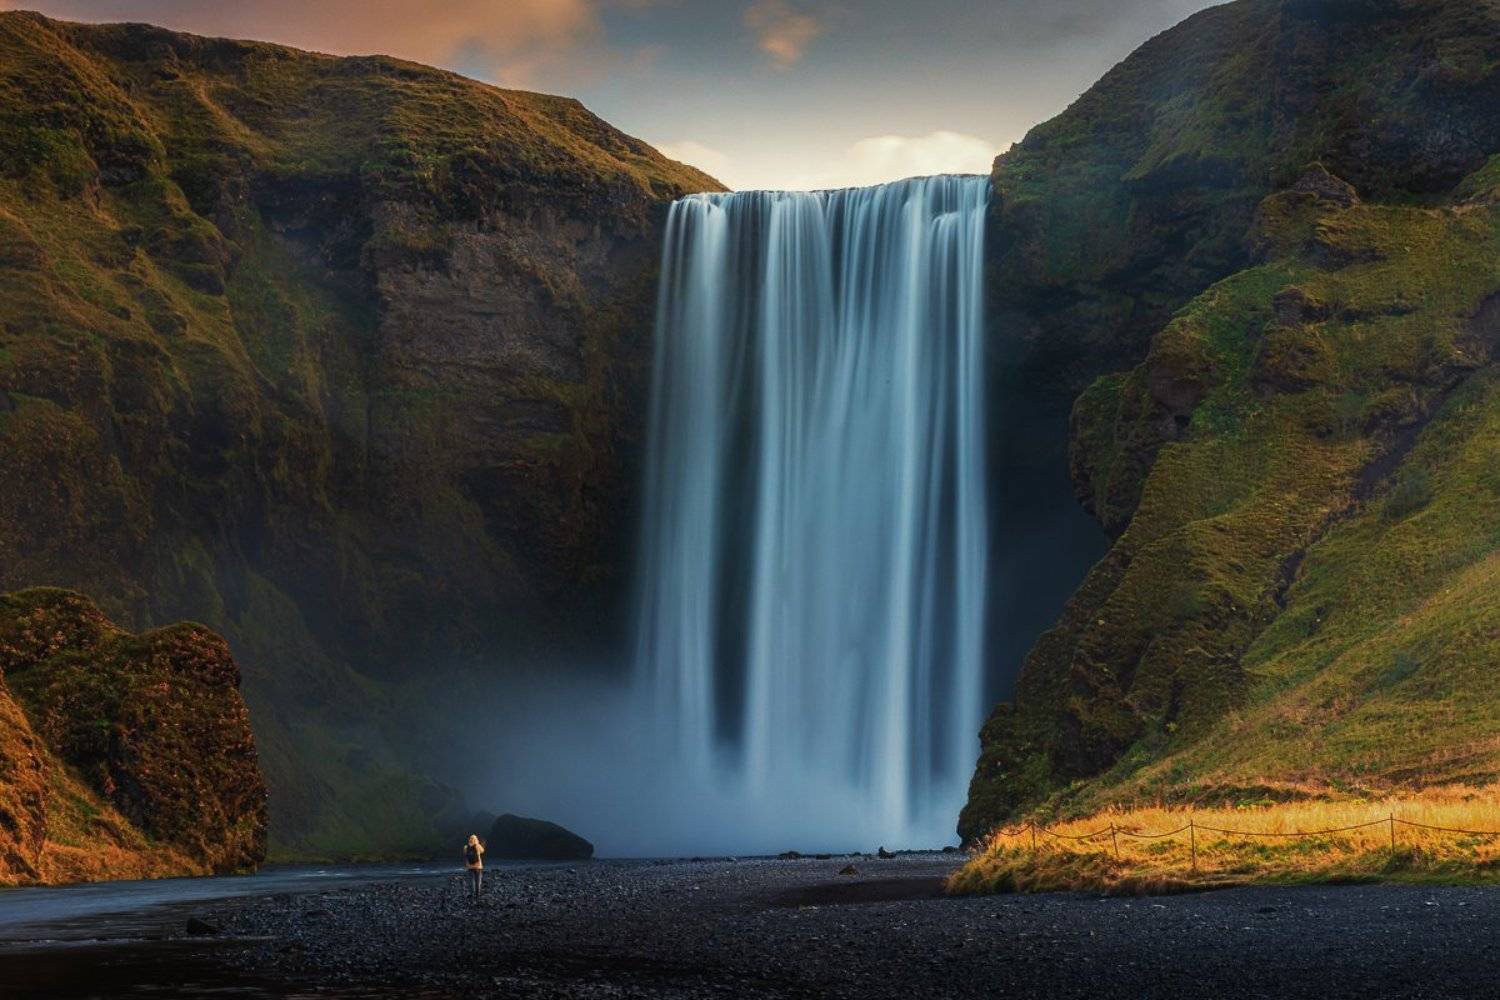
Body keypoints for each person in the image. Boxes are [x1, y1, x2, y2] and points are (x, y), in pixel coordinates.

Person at [463, 833, 485, 898]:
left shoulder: (466, 847)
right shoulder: (478, 846)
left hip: (469, 866)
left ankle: (472, 894)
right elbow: (482, 851)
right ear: (476, 839)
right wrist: (479, 844)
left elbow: (465, 854)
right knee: (478, 881)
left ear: (469, 839)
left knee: (471, 881)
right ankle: (477, 895)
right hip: (478, 867)